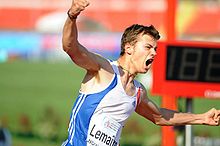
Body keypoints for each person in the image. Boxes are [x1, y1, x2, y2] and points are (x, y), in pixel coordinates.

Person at [61, 0, 220, 146]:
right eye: (148, 47)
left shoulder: (138, 92)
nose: (154, 53)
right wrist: (72, 16)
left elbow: (161, 117)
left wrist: (202, 117)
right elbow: (71, 47)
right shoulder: (104, 69)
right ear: (129, 48)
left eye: (155, 49)